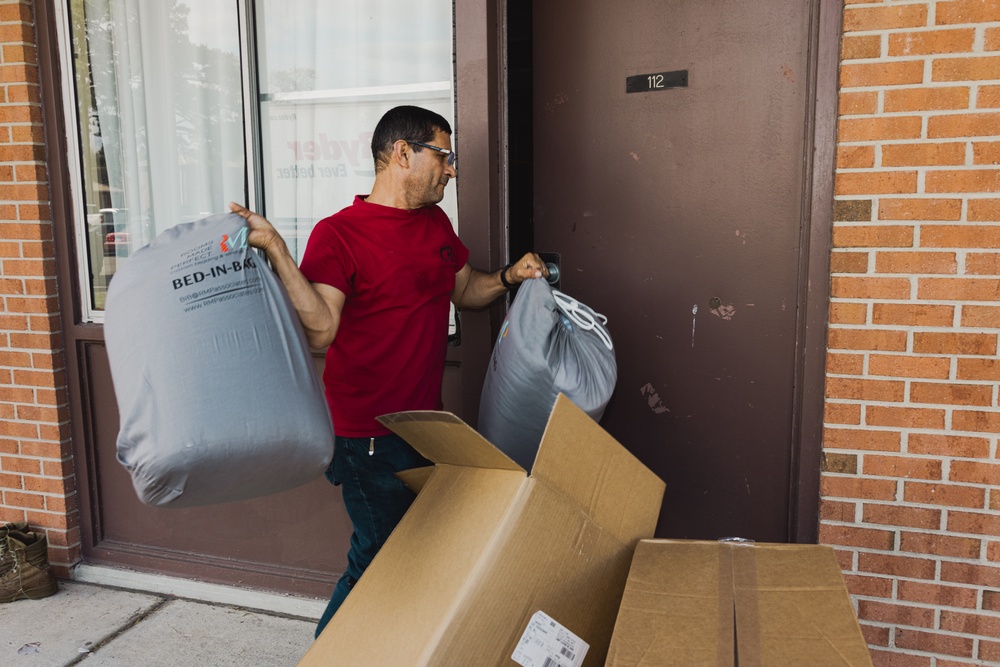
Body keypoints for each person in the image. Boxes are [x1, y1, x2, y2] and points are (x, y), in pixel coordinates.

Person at [228, 105, 548, 637]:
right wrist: (278, 250)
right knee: (377, 557)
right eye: (442, 155)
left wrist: (512, 276)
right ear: (403, 153)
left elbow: (465, 290)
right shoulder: (340, 235)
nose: (450, 169)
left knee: (418, 552)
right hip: (366, 437)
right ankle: (330, 652)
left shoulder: (435, 223)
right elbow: (320, 329)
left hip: (424, 429)